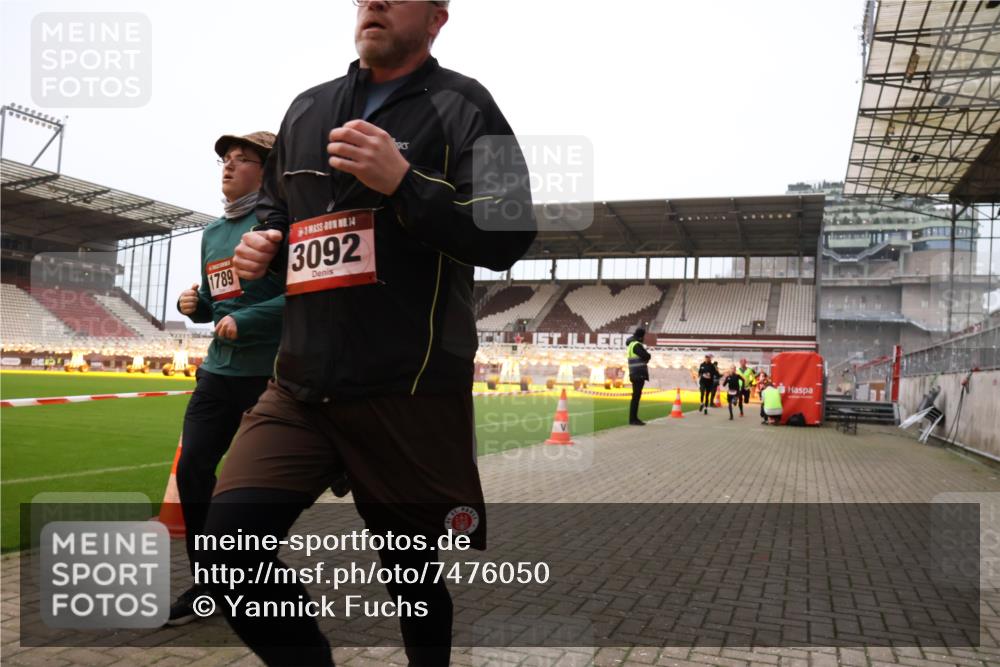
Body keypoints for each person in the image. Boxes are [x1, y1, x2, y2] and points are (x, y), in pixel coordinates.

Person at [203, 1, 536, 665]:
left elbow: (511, 230)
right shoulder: (306, 108)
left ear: (439, 17)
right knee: (226, 550)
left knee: (410, 573)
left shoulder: (469, 106)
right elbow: (276, 205)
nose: (373, 2)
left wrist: (405, 183)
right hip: (300, 386)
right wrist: (265, 238)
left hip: (406, 390)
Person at [166, 131, 284, 626]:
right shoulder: (213, 233)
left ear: (269, 171)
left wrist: (249, 322)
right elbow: (223, 300)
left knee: (252, 489)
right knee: (193, 470)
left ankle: (258, 577)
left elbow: (307, 299)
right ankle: (209, 582)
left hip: (271, 375)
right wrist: (198, 307)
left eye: (242, 160)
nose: (228, 168)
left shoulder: (285, 225)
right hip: (217, 372)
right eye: (225, 160)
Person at [625, 327, 651, 426]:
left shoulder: (631, 345)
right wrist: (646, 357)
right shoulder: (636, 345)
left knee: (635, 397)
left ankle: (633, 418)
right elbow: (646, 356)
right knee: (636, 397)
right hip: (638, 373)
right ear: (641, 336)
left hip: (634, 373)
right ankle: (633, 419)